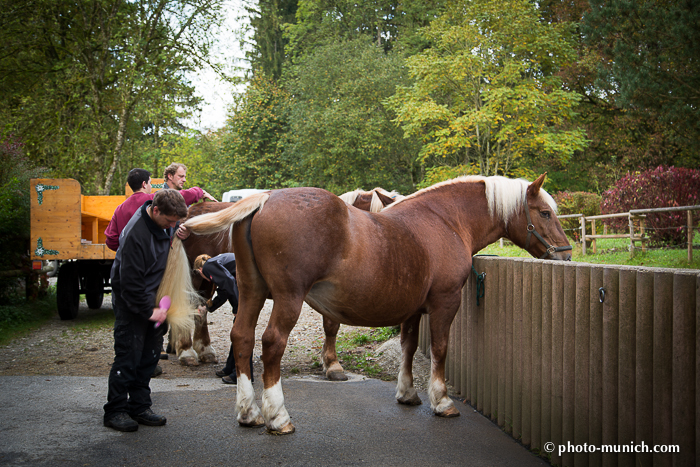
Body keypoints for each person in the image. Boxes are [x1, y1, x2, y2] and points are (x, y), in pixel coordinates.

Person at [103, 189, 188, 432]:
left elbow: (175, 229)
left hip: (154, 300)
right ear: (156, 210)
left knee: (148, 358)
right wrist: (147, 311)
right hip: (132, 305)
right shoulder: (135, 234)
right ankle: (115, 411)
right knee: (128, 358)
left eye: (176, 222)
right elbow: (128, 282)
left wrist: (182, 231)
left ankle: (139, 407)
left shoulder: (164, 223)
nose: (172, 225)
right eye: (170, 221)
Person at [193, 253, 253, 385]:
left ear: (199, 270)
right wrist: (208, 307)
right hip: (246, 287)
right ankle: (230, 368)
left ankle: (243, 374)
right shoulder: (216, 263)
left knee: (241, 332)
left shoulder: (208, 267)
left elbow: (229, 282)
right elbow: (224, 291)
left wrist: (238, 309)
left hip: (247, 291)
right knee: (237, 331)